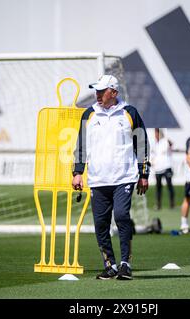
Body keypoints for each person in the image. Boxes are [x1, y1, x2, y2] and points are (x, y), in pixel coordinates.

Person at [72, 75, 150, 280]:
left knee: (122, 216)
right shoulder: (88, 114)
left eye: (101, 91)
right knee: (101, 224)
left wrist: (144, 174)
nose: (97, 94)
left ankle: (125, 264)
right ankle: (110, 265)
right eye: (96, 91)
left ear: (113, 92)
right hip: (98, 179)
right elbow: (81, 146)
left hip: (124, 177)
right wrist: (78, 172)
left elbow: (141, 144)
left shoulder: (130, 113)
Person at [151, 128, 175, 210]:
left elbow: (171, 144)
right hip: (158, 169)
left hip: (167, 167)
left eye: (157, 133)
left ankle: (172, 204)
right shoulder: (156, 144)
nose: (156, 135)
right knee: (158, 188)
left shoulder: (165, 141)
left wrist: (167, 139)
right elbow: (154, 156)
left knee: (169, 186)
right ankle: (158, 205)